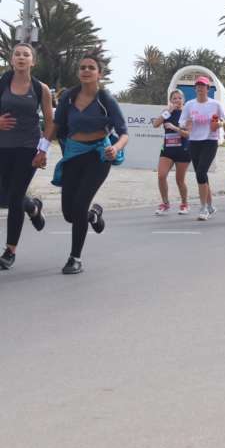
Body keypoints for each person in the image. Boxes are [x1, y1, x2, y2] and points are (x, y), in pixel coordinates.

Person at [50, 52, 129, 275]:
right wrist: (41, 149)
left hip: (98, 156)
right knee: (68, 213)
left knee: (80, 205)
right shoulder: (68, 97)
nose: (86, 71)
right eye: (82, 67)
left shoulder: (106, 100)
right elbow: (57, 127)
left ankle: (75, 258)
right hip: (74, 155)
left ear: (99, 74)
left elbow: (124, 133)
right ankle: (93, 215)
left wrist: (116, 148)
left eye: (91, 68)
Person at [0, 42, 53, 270]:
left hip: (28, 147)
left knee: (14, 198)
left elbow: (51, 123)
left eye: (26, 55)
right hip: (2, 146)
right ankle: (32, 207)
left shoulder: (40, 88)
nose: (21, 58)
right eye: (17, 54)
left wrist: (43, 150)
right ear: (12, 60)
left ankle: (10, 250)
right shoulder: (2, 82)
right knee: (5, 195)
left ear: (33, 61)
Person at [180, 75, 225, 220]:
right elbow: (182, 122)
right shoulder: (189, 105)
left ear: (207, 88)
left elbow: (224, 120)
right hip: (194, 141)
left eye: (203, 86)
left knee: (201, 172)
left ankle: (204, 208)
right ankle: (211, 206)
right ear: (195, 89)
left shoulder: (215, 104)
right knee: (202, 175)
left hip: (210, 140)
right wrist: (186, 124)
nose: (200, 88)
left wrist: (219, 124)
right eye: (198, 86)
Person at [151, 90, 191, 215]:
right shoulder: (166, 112)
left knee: (180, 180)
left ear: (183, 100)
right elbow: (155, 124)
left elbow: (188, 134)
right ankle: (165, 203)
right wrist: (167, 112)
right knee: (161, 176)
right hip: (167, 150)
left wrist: (175, 128)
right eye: (174, 98)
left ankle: (184, 204)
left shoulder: (187, 113)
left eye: (179, 98)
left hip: (183, 150)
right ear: (170, 100)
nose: (177, 101)